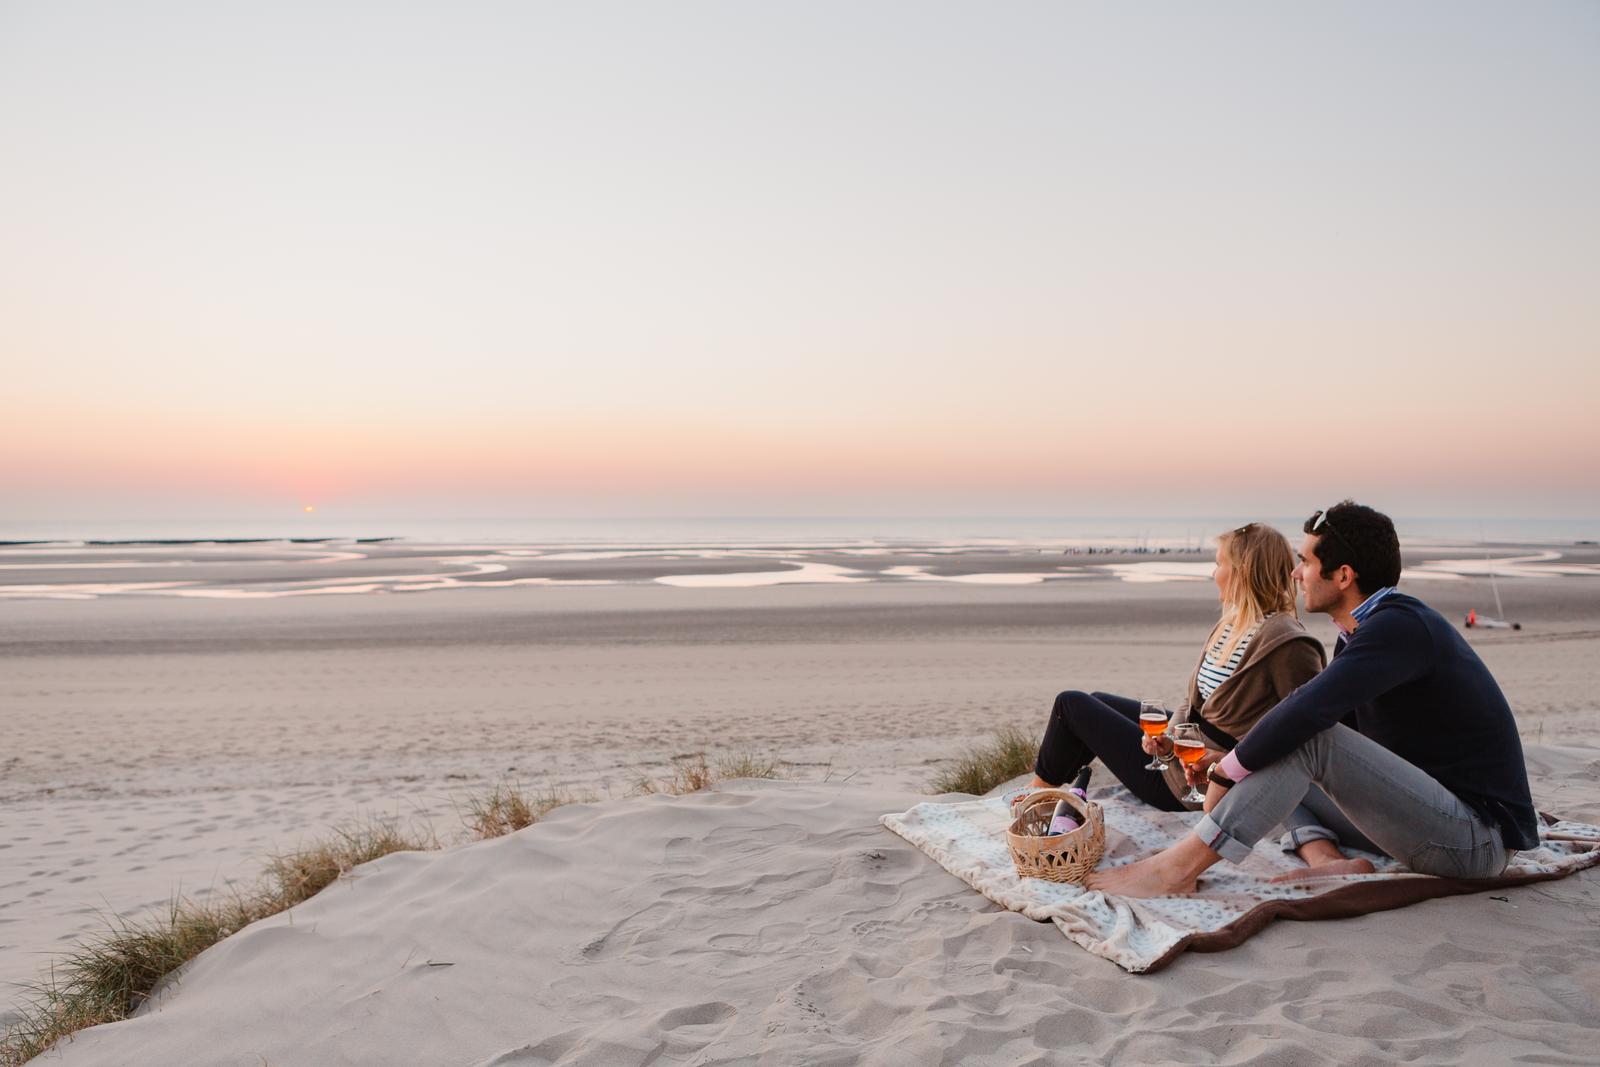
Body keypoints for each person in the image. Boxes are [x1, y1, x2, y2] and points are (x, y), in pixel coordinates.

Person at [1086, 501, 1540, 897]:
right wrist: (1238, 764)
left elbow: (1309, 711)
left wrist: (1226, 770)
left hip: (1475, 841)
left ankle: (1177, 869)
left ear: (1342, 575)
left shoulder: (1400, 628)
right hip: (1421, 818)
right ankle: (1324, 859)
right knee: (1279, 749)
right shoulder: (1360, 635)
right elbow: (1349, 746)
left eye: (1304, 560)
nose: (1294, 573)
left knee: (1306, 736)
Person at [1021, 523, 1334, 820]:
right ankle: (1053, 791)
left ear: (1242, 572)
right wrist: (1167, 737)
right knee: (1097, 699)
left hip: (1190, 783)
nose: (1214, 574)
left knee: (1070, 705)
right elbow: (1193, 701)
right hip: (1182, 748)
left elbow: (1304, 733)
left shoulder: (1287, 643)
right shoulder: (1232, 624)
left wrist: (1228, 766)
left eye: (1218, 564)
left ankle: (1034, 797)